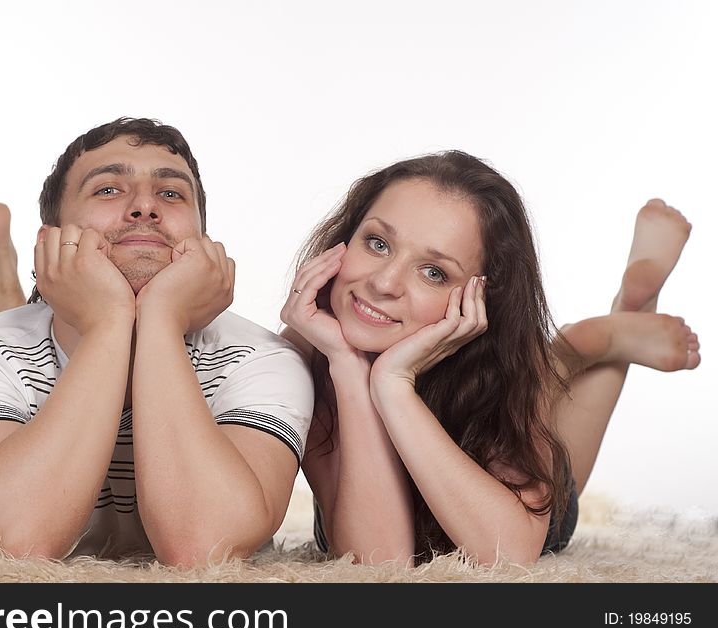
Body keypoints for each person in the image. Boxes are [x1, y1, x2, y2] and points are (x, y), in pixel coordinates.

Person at [0, 117, 314, 567]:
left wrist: (160, 319)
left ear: (203, 242)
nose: (145, 207)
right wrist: (110, 321)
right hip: (9, 332)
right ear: (51, 241)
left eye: (171, 193)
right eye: (107, 189)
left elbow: (204, 548)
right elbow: (17, 540)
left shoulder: (263, 362)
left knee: (2, 324)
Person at [279, 151, 699, 566]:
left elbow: (512, 553)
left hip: (501, 505)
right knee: (549, 374)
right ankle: (577, 349)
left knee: (562, 486)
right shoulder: (308, 352)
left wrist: (393, 383)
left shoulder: (501, 364)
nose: (384, 283)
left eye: (433, 272)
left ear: (481, 298)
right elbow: (379, 562)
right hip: (406, 498)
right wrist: (348, 366)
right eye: (377, 243)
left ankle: (609, 329)